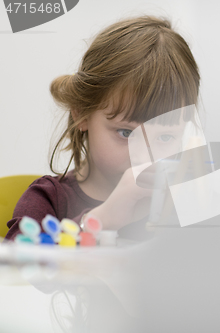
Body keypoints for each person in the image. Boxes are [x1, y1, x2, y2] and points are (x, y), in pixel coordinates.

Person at [5, 15, 200, 240]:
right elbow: (20, 267)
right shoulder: (48, 200)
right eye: (126, 133)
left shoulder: (183, 205)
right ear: (81, 112)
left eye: (165, 138)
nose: (145, 158)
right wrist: (100, 220)